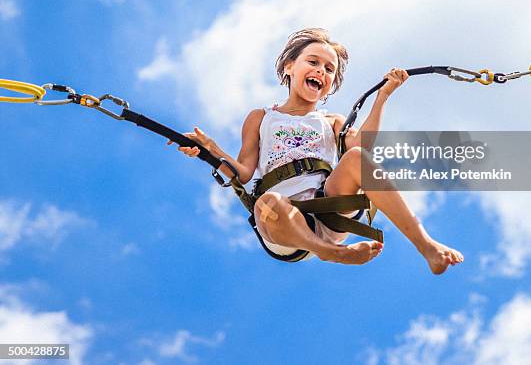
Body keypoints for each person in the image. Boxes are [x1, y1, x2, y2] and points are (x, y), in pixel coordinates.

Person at [171, 28, 463, 270]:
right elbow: (244, 173)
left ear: (330, 84)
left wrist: (382, 97)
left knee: (357, 158)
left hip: (328, 211)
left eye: (329, 69)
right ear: (289, 67)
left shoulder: (330, 121)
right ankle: (328, 252)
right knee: (268, 203)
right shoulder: (261, 118)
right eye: (313, 62)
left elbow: (364, 149)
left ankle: (427, 246)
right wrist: (210, 149)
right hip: (283, 225)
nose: (321, 71)